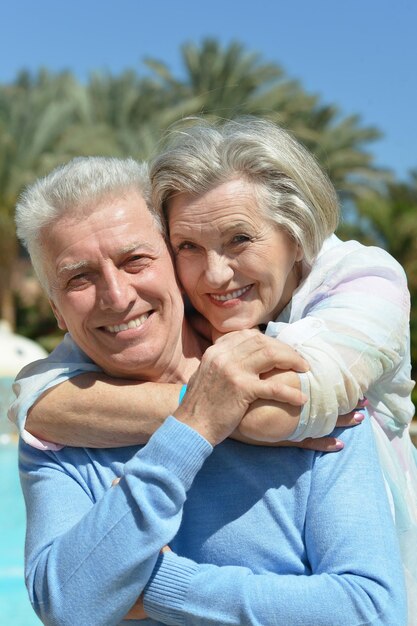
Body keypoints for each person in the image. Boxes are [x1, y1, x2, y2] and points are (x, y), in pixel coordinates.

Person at [11, 156, 406, 625]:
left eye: (135, 260)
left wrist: (150, 580)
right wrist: (193, 423)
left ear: (177, 267)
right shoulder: (59, 434)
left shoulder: (306, 390)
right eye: (79, 277)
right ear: (57, 311)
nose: (116, 296)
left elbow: (370, 611)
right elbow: (65, 606)